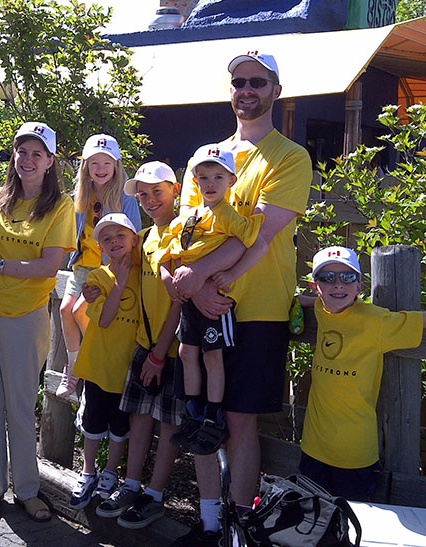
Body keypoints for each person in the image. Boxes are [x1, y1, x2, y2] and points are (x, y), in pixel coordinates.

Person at [171, 52, 312, 545]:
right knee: (202, 416)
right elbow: (186, 232)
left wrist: (202, 280)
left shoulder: (290, 157)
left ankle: (237, 529)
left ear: (276, 90)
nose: (246, 89)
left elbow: (263, 234)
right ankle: (209, 524)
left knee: (240, 419)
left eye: (257, 81)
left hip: (259, 309)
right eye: (238, 82)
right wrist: (195, 285)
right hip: (204, 304)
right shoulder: (206, 157)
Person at [0, 122, 76, 522]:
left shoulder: (60, 208)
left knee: (21, 408)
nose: (27, 159)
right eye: (21, 151)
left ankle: (27, 490)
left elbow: (47, 266)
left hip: (24, 317)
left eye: (37, 153)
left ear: (50, 161)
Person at [91, 161, 183, 529]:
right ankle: (131, 485)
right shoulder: (143, 238)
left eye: (156, 191)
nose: (148, 199)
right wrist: (95, 285)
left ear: (175, 190)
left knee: (169, 425)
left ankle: (155, 495)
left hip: (172, 350)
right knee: (140, 417)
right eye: (142, 194)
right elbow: (117, 265)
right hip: (146, 345)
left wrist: (160, 355)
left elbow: (179, 300)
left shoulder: (184, 234)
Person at [160, 144, 266, 455]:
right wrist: (172, 280)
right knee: (185, 352)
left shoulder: (228, 215)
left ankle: (213, 416)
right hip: (190, 301)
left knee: (212, 356)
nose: (210, 183)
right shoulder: (189, 218)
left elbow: (257, 246)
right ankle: (193, 412)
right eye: (204, 177)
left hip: (216, 301)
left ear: (231, 181)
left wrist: (233, 275)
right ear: (194, 181)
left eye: (218, 177)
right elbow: (166, 255)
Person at [298, 246, 424, 501]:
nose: (337, 285)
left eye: (347, 277)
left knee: (353, 524)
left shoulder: (375, 321)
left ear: (360, 286)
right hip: (313, 447)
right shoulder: (323, 310)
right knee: (312, 522)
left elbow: (419, 320)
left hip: (354, 456)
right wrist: (300, 301)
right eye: (327, 278)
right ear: (315, 286)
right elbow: (313, 301)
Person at [57, 134, 141, 397]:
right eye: (94, 163)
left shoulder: (125, 195)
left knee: (82, 309)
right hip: (84, 265)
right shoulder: (82, 194)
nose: (101, 169)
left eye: (107, 163)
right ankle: (74, 367)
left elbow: (134, 232)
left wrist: (121, 268)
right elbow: (76, 233)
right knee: (65, 309)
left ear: (116, 165)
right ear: (86, 167)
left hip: (109, 268)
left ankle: (89, 361)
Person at [69, 213, 140, 509]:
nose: (114, 242)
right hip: (99, 366)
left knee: (120, 426)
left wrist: (126, 279)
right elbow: (107, 319)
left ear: (134, 240)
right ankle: (88, 472)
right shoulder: (98, 277)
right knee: (93, 423)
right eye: (107, 239)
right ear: (99, 247)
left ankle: (110, 472)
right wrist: (120, 283)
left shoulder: (145, 275)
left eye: (121, 236)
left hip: (127, 369)